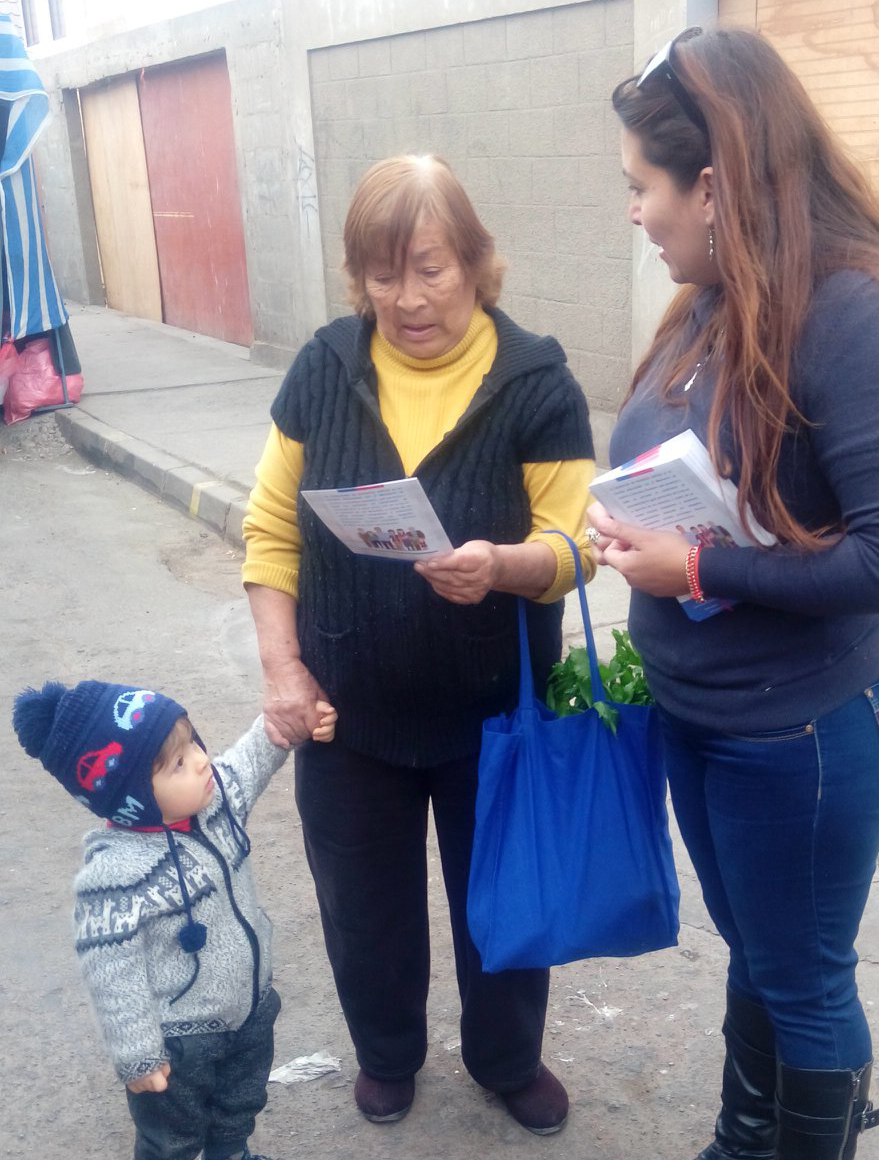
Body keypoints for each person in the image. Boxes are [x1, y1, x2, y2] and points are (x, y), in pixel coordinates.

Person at [588, 26, 879, 1160]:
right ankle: (744, 1143)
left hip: (809, 726)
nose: (635, 216)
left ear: (713, 184)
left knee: (800, 974)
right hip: (710, 713)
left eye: (642, 189)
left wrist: (696, 567)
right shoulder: (710, 299)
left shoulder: (859, 315)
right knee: (759, 945)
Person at [241, 154, 595, 1134]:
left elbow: (574, 545)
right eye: (382, 274)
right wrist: (285, 666)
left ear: (478, 263)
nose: (405, 298)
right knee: (366, 907)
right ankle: (388, 1051)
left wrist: (504, 566)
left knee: (504, 909)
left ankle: (506, 1055)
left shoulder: (536, 380)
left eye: (429, 268)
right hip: (348, 711)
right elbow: (270, 529)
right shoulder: (325, 366)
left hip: (496, 713)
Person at [10, 679, 337, 1160]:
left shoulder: (214, 802)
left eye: (194, 744)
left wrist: (287, 724)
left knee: (240, 1104)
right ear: (133, 795)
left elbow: (250, 757)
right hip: (178, 1043)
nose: (202, 760)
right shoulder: (116, 874)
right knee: (172, 1137)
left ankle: (231, 1152)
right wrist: (137, 1052)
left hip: (248, 1008)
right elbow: (110, 972)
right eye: (179, 763)